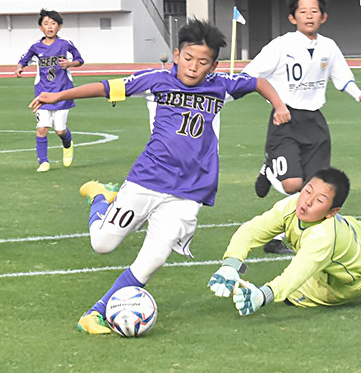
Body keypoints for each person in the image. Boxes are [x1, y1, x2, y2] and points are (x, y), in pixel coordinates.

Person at [29, 18, 291, 334]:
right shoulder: (156, 80)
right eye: (189, 59)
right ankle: (101, 196)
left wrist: (278, 105)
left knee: (153, 259)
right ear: (177, 54)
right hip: (148, 179)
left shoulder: (221, 86)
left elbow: (257, 82)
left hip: (190, 191)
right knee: (102, 244)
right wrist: (57, 96)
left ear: (213, 65)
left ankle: (95, 313)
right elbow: (106, 87)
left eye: (203, 62)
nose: (194, 67)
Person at [242, 0, 361, 255]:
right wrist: (276, 104)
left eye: (315, 11)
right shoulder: (281, 45)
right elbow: (252, 75)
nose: (309, 15)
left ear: (323, 16)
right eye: (303, 11)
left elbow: (342, 78)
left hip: (315, 124)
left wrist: (359, 95)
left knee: (313, 188)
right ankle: (270, 169)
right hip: (285, 120)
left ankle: (277, 237)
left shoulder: (329, 47)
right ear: (293, 17)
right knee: (292, 184)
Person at [207, 167, 361, 314]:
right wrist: (231, 264)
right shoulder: (291, 205)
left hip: (350, 278)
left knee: (298, 297)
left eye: (319, 200)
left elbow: (296, 274)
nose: (306, 202)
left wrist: (263, 295)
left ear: (331, 211)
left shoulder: (322, 237)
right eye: (307, 191)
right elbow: (252, 230)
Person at [15, 9, 84, 172]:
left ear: (59, 27)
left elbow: (80, 60)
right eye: (46, 24)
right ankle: (43, 162)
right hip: (43, 94)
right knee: (42, 128)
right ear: (41, 28)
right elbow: (23, 59)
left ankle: (67, 144)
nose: (50, 27)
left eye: (53, 23)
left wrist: (69, 64)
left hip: (62, 92)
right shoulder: (35, 47)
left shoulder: (65, 44)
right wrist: (19, 68)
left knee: (60, 130)